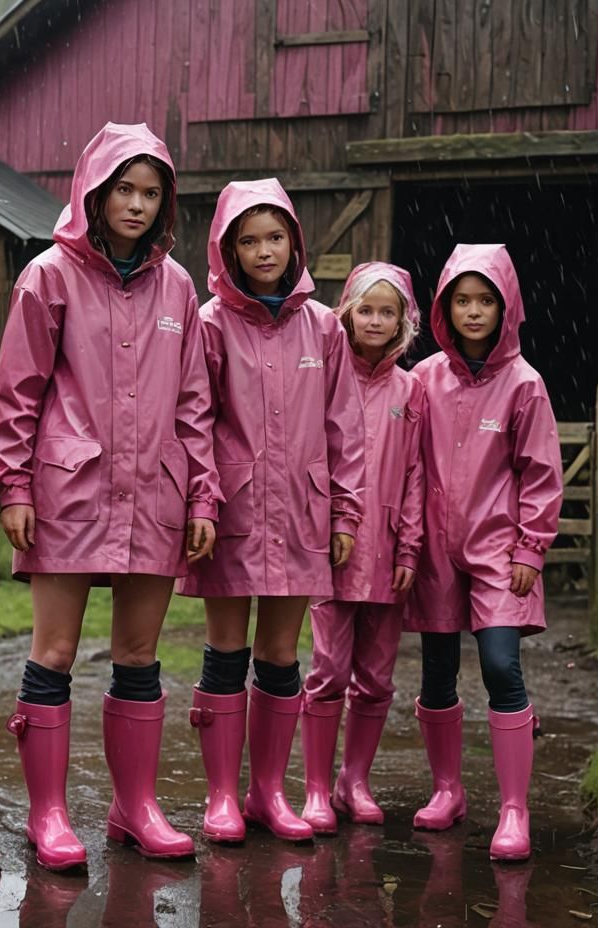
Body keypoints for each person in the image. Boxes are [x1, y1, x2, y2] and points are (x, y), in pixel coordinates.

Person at [0, 122, 220, 869]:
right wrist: (14, 486)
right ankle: (48, 815)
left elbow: (195, 404)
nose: (137, 205)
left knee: (139, 652)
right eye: (124, 189)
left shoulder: (179, 287)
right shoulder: (48, 276)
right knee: (53, 651)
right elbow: (16, 394)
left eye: (151, 193)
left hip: (156, 488)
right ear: (95, 190)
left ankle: (135, 806)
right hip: (68, 490)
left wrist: (203, 498)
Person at [179, 179, 364, 844]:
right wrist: (202, 495)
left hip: (303, 509)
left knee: (281, 653)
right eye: (249, 240)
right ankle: (222, 797)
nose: (263, 251)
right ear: (228, 248)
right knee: (227, 649)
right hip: (230, 508)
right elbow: (194, 419)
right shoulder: (207, 324)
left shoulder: (324, 328)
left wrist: (345, 514)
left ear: (296, 243)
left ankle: (269, 794)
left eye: (275, 237)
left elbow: (345, 427)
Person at [404, 242, 562, 861]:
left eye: (485, 301)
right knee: (437, 671)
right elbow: (408, 464)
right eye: (461, 301)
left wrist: (531, 546)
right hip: (436, 550)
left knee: (501, 666)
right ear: (445, 308)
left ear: (505, 308)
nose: (473, 312)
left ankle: (514, 809)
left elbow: (541, 472)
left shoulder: (524, 385)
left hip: (500, 551)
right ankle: (447, 791)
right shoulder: (423, 380)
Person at [301, 262, 425, 833]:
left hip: (389, 550)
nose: (376, 321)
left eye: (388, 312)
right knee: (328, 668)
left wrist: (409, 549)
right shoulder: (326, 372)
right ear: (347, 312)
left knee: (376, 675)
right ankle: (317, 788)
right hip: (332, 547)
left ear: (404, 321)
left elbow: (418, 475)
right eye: (367, 309)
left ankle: (356, 780)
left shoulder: (411, 390)